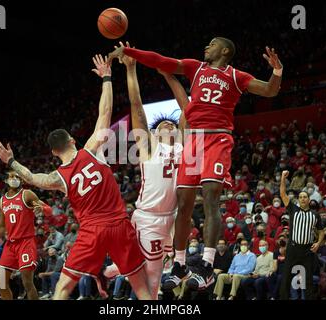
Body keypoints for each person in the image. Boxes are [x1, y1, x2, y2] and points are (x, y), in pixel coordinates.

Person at [109, 37, 282, 290]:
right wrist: (129, 51)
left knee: (211, 198)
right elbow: (162, 61)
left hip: (218, 137)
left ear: (224, 50)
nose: (206, 47)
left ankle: (207, 265)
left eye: (212, 44)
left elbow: (270, 90)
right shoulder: (195, 67)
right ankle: (179, 265)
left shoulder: (236, 76)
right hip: (194, 141)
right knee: (184, 202)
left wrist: (277, 70)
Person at [0, 54, 151, 300]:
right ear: (73, 140)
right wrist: (107, 77)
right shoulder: (91, 149)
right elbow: (106, 110)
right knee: (142, 288)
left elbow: (32, 177)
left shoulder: (59, 177)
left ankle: (99, 276)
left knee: (63, 289)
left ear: (54, 152)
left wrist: (11, 161)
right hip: (120, 225)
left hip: (91, 232)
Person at [111, 42, 187, 299]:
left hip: (173, 217)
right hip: (151, 217)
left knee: (159, 271)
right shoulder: (149, 147)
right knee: (152, 280)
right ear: (153, 133)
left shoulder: (185, 146)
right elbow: (136, 106)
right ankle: (124, 267)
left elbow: (188, 109)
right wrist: (131, 70)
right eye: (163, 123)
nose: (169, 125)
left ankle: (122, 263)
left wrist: (170, 77)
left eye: (172, 123)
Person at [0, 170, 52, 300]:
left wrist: (42, 209)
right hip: (10, 244)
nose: (14, 178)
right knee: (1, 282)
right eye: (11, 176)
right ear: (6, 180)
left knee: (27, 282)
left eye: (17, 176)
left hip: (26, 242)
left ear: (22, 180)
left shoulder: (27, 194)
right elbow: (1, 226)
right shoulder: (2, 201)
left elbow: (49, 210)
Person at [279, 170, 325, 300]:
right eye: (300, 197)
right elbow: (282, 193)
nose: (303, 198)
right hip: (293, 249)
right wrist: (283, 177)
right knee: (286, 277)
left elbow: (321, 231)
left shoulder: (315, 215)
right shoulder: (293, 209)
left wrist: (318, 243)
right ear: (298, 200)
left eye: (305, 197)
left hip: (307, 250)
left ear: (309, 199)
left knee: (308, 279)